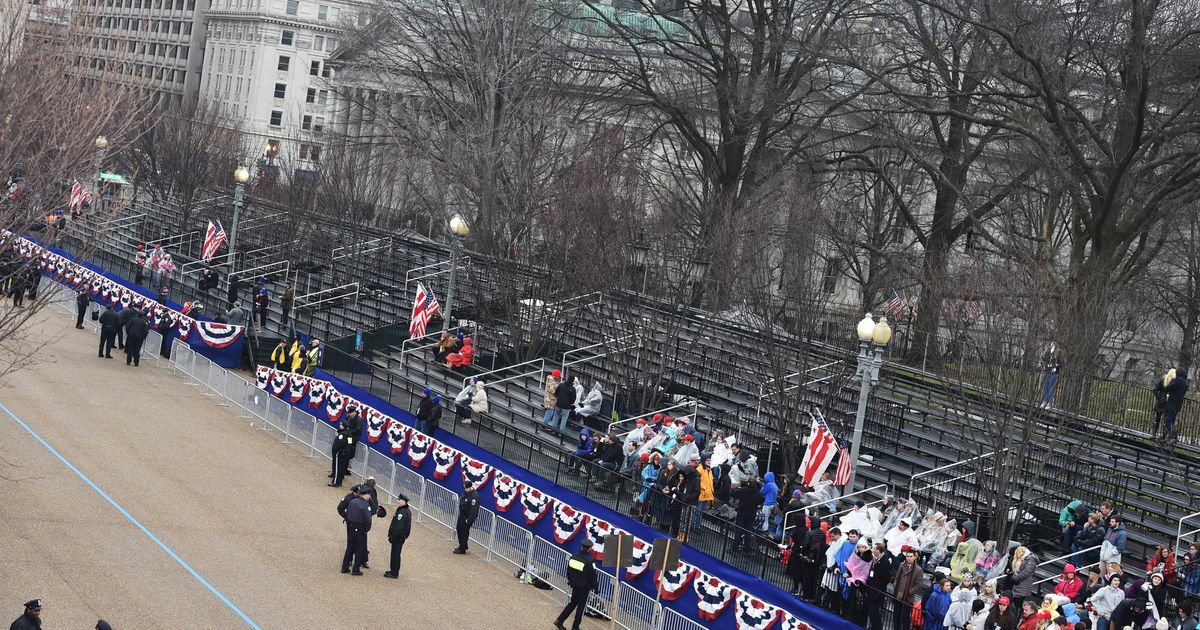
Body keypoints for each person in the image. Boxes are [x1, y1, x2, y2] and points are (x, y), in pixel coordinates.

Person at [553, 538, 599, 630]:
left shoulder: (573, 557)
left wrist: (571, 582)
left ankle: (559, 620)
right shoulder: (590, 562)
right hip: (584, 588)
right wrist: (596, 588)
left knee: (572, 603)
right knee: (580, 607)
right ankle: (575, 627)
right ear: (590, 549)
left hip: (575, 586)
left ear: (581, 546)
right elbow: (593, 577)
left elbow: (569, 572)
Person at [338, 485, 373, 575]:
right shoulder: (365, 505)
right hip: (360, 529)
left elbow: (348, 513)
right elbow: (368, 520)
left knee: (349, 547)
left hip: (351, 527)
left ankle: (344, 567)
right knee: (359, 549)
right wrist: (366, 530)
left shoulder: (352, 501)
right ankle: (356, 570)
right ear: (365, 495)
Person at [893, 547, 925, 630]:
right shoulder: (901, 565)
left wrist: (908, 592)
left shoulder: (918, 570)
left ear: (915, 557)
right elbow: (897, 578)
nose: (909, 558)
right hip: (898, 596)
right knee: (896, 617)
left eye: (911, 556)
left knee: (905, 619)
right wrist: (895, 586)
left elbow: (919, 585)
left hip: (908, 598)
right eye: (907, 556)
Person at [383, 494, 412, 579]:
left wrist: (392, 536)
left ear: (404, 501)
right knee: (395, 554)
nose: (397, 501)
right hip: (400, 537)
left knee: (395, 554)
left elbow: (398, 526)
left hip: (398, 537)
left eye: (399, 500)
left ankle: (394, 572)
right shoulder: (404, 510)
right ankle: (393, 570)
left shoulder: (402, 512)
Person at [732, 478, 762, 552]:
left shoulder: (743, 490)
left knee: (738, 532)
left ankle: (734, 548)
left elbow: (733, 494)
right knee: (748, 533)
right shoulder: (758, 493)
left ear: (748, 483)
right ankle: (747, 549)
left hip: (742, 513)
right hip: (751, 515)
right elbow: (761, 501)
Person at [452, 483, 480, 554]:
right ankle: (462, 545)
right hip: (462, 514)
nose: (466, 490)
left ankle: (462, 549)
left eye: (467, 488)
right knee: (459, 529)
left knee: (464, 532)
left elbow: (474, 511)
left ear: (470, 487)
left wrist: (469, 520)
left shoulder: (474, 497)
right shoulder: (466, 493)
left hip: (467, 517)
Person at [1163, 368, 1189, 442]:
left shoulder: (1178, 381)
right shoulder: (1185, 383)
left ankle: (1173, 436)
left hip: (1172, 403)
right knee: (1172, 421)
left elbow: (1169, 387)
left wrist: (1172, 380)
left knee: (1168, 420)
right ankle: (1171, 436)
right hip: (1178, 405)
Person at [1040, 342, 1065, 409]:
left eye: (1052, 345)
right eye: (1050, 345)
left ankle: (1049, 403)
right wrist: (1043, 357)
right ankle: (1044, 401)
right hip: (1047, 372)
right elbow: (1045, 360)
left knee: (1051, 388)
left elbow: (1062, 364)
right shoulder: (1048, 353)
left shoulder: (1058, 354)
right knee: (1046, 387)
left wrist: (1056, 365)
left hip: (1054, 373)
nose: (1051, 346)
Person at [1153, 369, 1175, 437]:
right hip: (1167, 404)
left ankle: (1154, 433)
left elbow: (1155, 389)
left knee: (1157, 419)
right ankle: (1164, 436)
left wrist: (1159, 397)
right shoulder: (1173, 381)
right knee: (1166, 421)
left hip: (1160, 403)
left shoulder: (1163, 379)